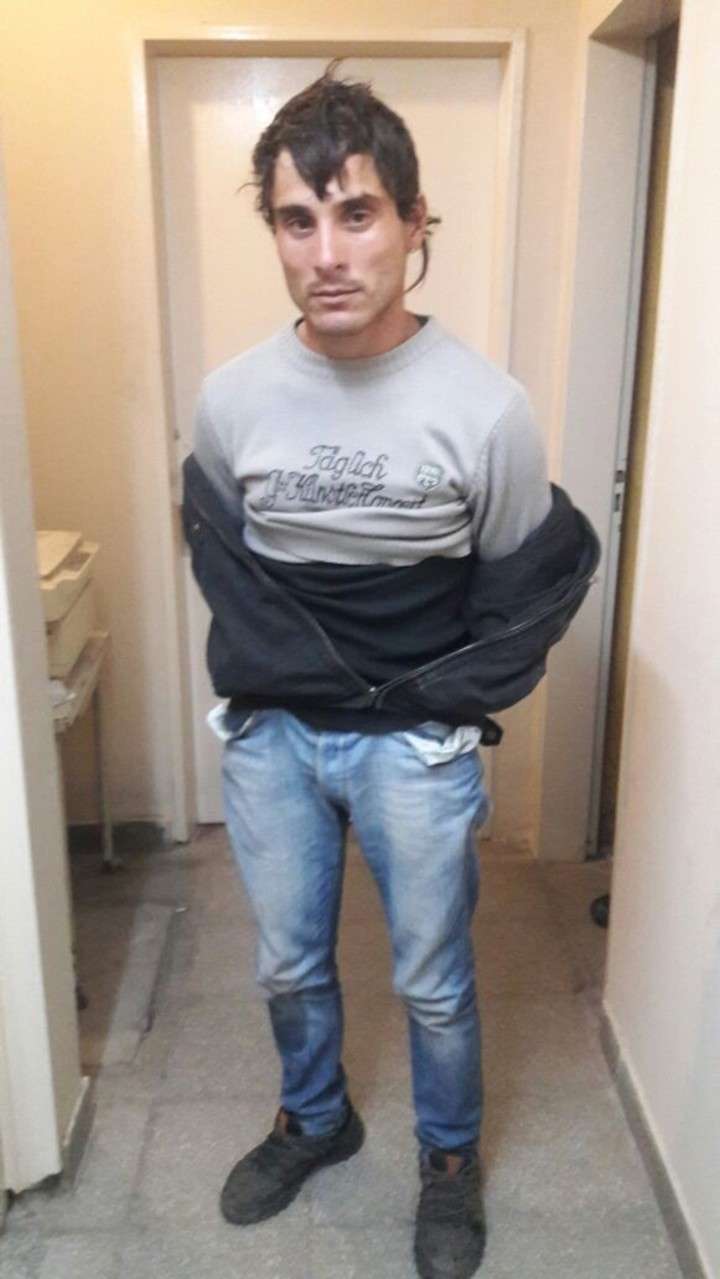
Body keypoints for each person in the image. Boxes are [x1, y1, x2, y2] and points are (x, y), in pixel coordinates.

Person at [183, 63, 598, 1279]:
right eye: (296, 220)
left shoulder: (487, 409)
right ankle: (315, 1119)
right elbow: (226, 558)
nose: (327, 253)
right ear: (273, 231)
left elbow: (519, 589)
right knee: (287, 960)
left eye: (357, 213)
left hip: (415, 744)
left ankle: (450, 1159)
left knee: (433, 982)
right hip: (272, 735)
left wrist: (438, 708)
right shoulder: (230, 399)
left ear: (415, 223)